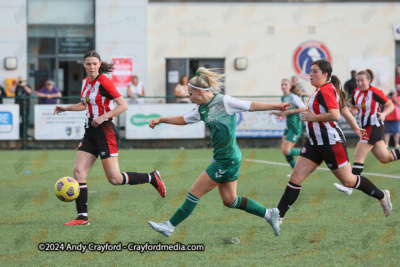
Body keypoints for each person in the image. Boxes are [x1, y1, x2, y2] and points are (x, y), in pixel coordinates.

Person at [148, 68, 291, 238]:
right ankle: (270, 214)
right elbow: (183, 119)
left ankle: (169, 226)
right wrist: (161, 119)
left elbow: (250, 106)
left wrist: (276, 106)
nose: (189, 97)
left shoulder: (224, 101)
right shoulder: (201, 109)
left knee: (194, 193)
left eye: (191, 94)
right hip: (225, 158)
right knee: (230, 200)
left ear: (200, 92)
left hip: (226, 160)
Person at [53, 51, 166, 226]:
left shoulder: (104, 81)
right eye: (88, 64)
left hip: (105, 130)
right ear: (83, 65)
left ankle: (151, 177)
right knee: (78, 172)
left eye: (94, 64)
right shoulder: (85, 82)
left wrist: (104, 116)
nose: (91, 67)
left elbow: (123, 105)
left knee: (115, 179)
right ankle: (82, 217)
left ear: (99, 65)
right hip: (90, 130)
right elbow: (85, 104)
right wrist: (65, 108)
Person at [277, 60, 392, 228]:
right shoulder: (323, 90)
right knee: (295, 177)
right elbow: (344, 109)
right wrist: (356, 128)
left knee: (349, 181)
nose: (310, 74)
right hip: (314, 143)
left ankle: (382, 196)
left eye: (315, 71)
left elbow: (335, 115)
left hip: (331, 143)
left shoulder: (326, 90)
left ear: (325, 75)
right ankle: (278, 216)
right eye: (310, 71)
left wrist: (313, 117)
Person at [334, 69, 400, 196]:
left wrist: (384, 114)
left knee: (358, 156)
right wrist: (347, 110)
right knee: (385, 158)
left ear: (369, 81)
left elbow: (390, 105)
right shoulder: (356, 92)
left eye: (362, 80)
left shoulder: (375, 92)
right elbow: (354, 109)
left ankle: (349, 187)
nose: (359, 83)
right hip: (366, 126)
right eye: (357, 81)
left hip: (374, 125)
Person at [270, 79, 306, 171]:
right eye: (282, 84)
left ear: (290, 86)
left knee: (286, 150)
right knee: (285, 151)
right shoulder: (283, 98)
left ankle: (308, 152)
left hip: (295, 127)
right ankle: (295, 171)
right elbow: (283, 113)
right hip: (288, 126)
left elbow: (303, 108)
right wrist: (274, 113)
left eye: (285, 84)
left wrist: (291, 111)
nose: (283, 86)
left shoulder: (293, 97)